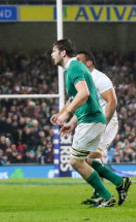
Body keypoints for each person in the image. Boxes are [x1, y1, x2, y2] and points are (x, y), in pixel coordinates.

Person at [49, 39, 116, 208]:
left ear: (63, 53)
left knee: (76, 161)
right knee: (86, 160)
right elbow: (76, 98)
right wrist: (65, 116)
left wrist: (67, 114)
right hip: (88, 119)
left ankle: (106, 195)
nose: (51, 54)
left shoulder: (75, 67)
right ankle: (119, 183)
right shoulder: (71, 70)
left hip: (91, 119)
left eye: (54, 51)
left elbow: (84, 93)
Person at [75, 51, 131, 206]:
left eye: (79, 60)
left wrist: (103, 122)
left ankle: (108, 190)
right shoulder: (84, 80)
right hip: (92, 122)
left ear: (89, 63)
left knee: (89, 158)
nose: (76, 63)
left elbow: (112, 102)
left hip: (105, 122)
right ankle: (116, 184)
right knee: (86, 158)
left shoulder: (100, 78)